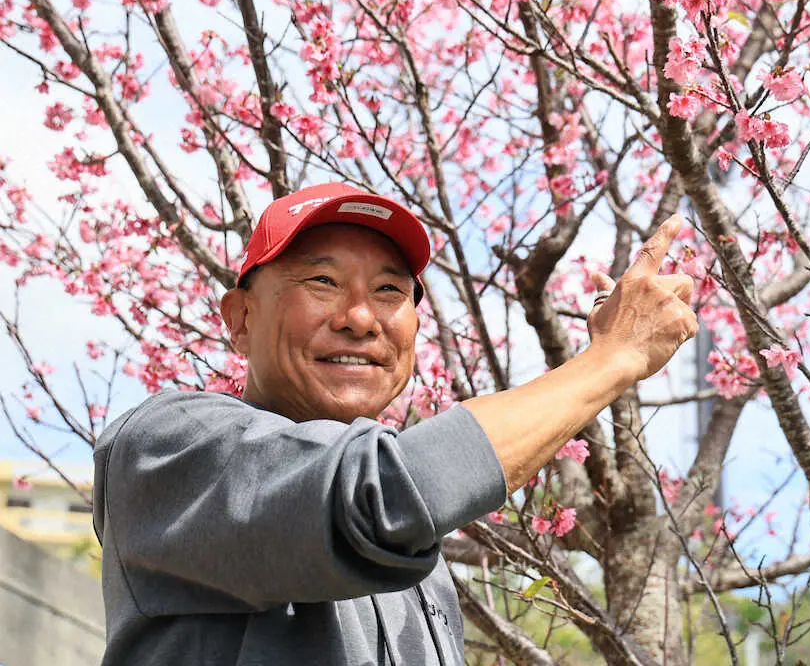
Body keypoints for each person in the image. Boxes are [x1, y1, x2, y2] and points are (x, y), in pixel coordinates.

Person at [92, 182, 698, 665]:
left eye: (389, 290)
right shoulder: (167, 446)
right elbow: (382, 498)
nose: (360, 318)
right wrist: (610, 359)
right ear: (241, 317)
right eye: (323, 281)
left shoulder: (422, 569)